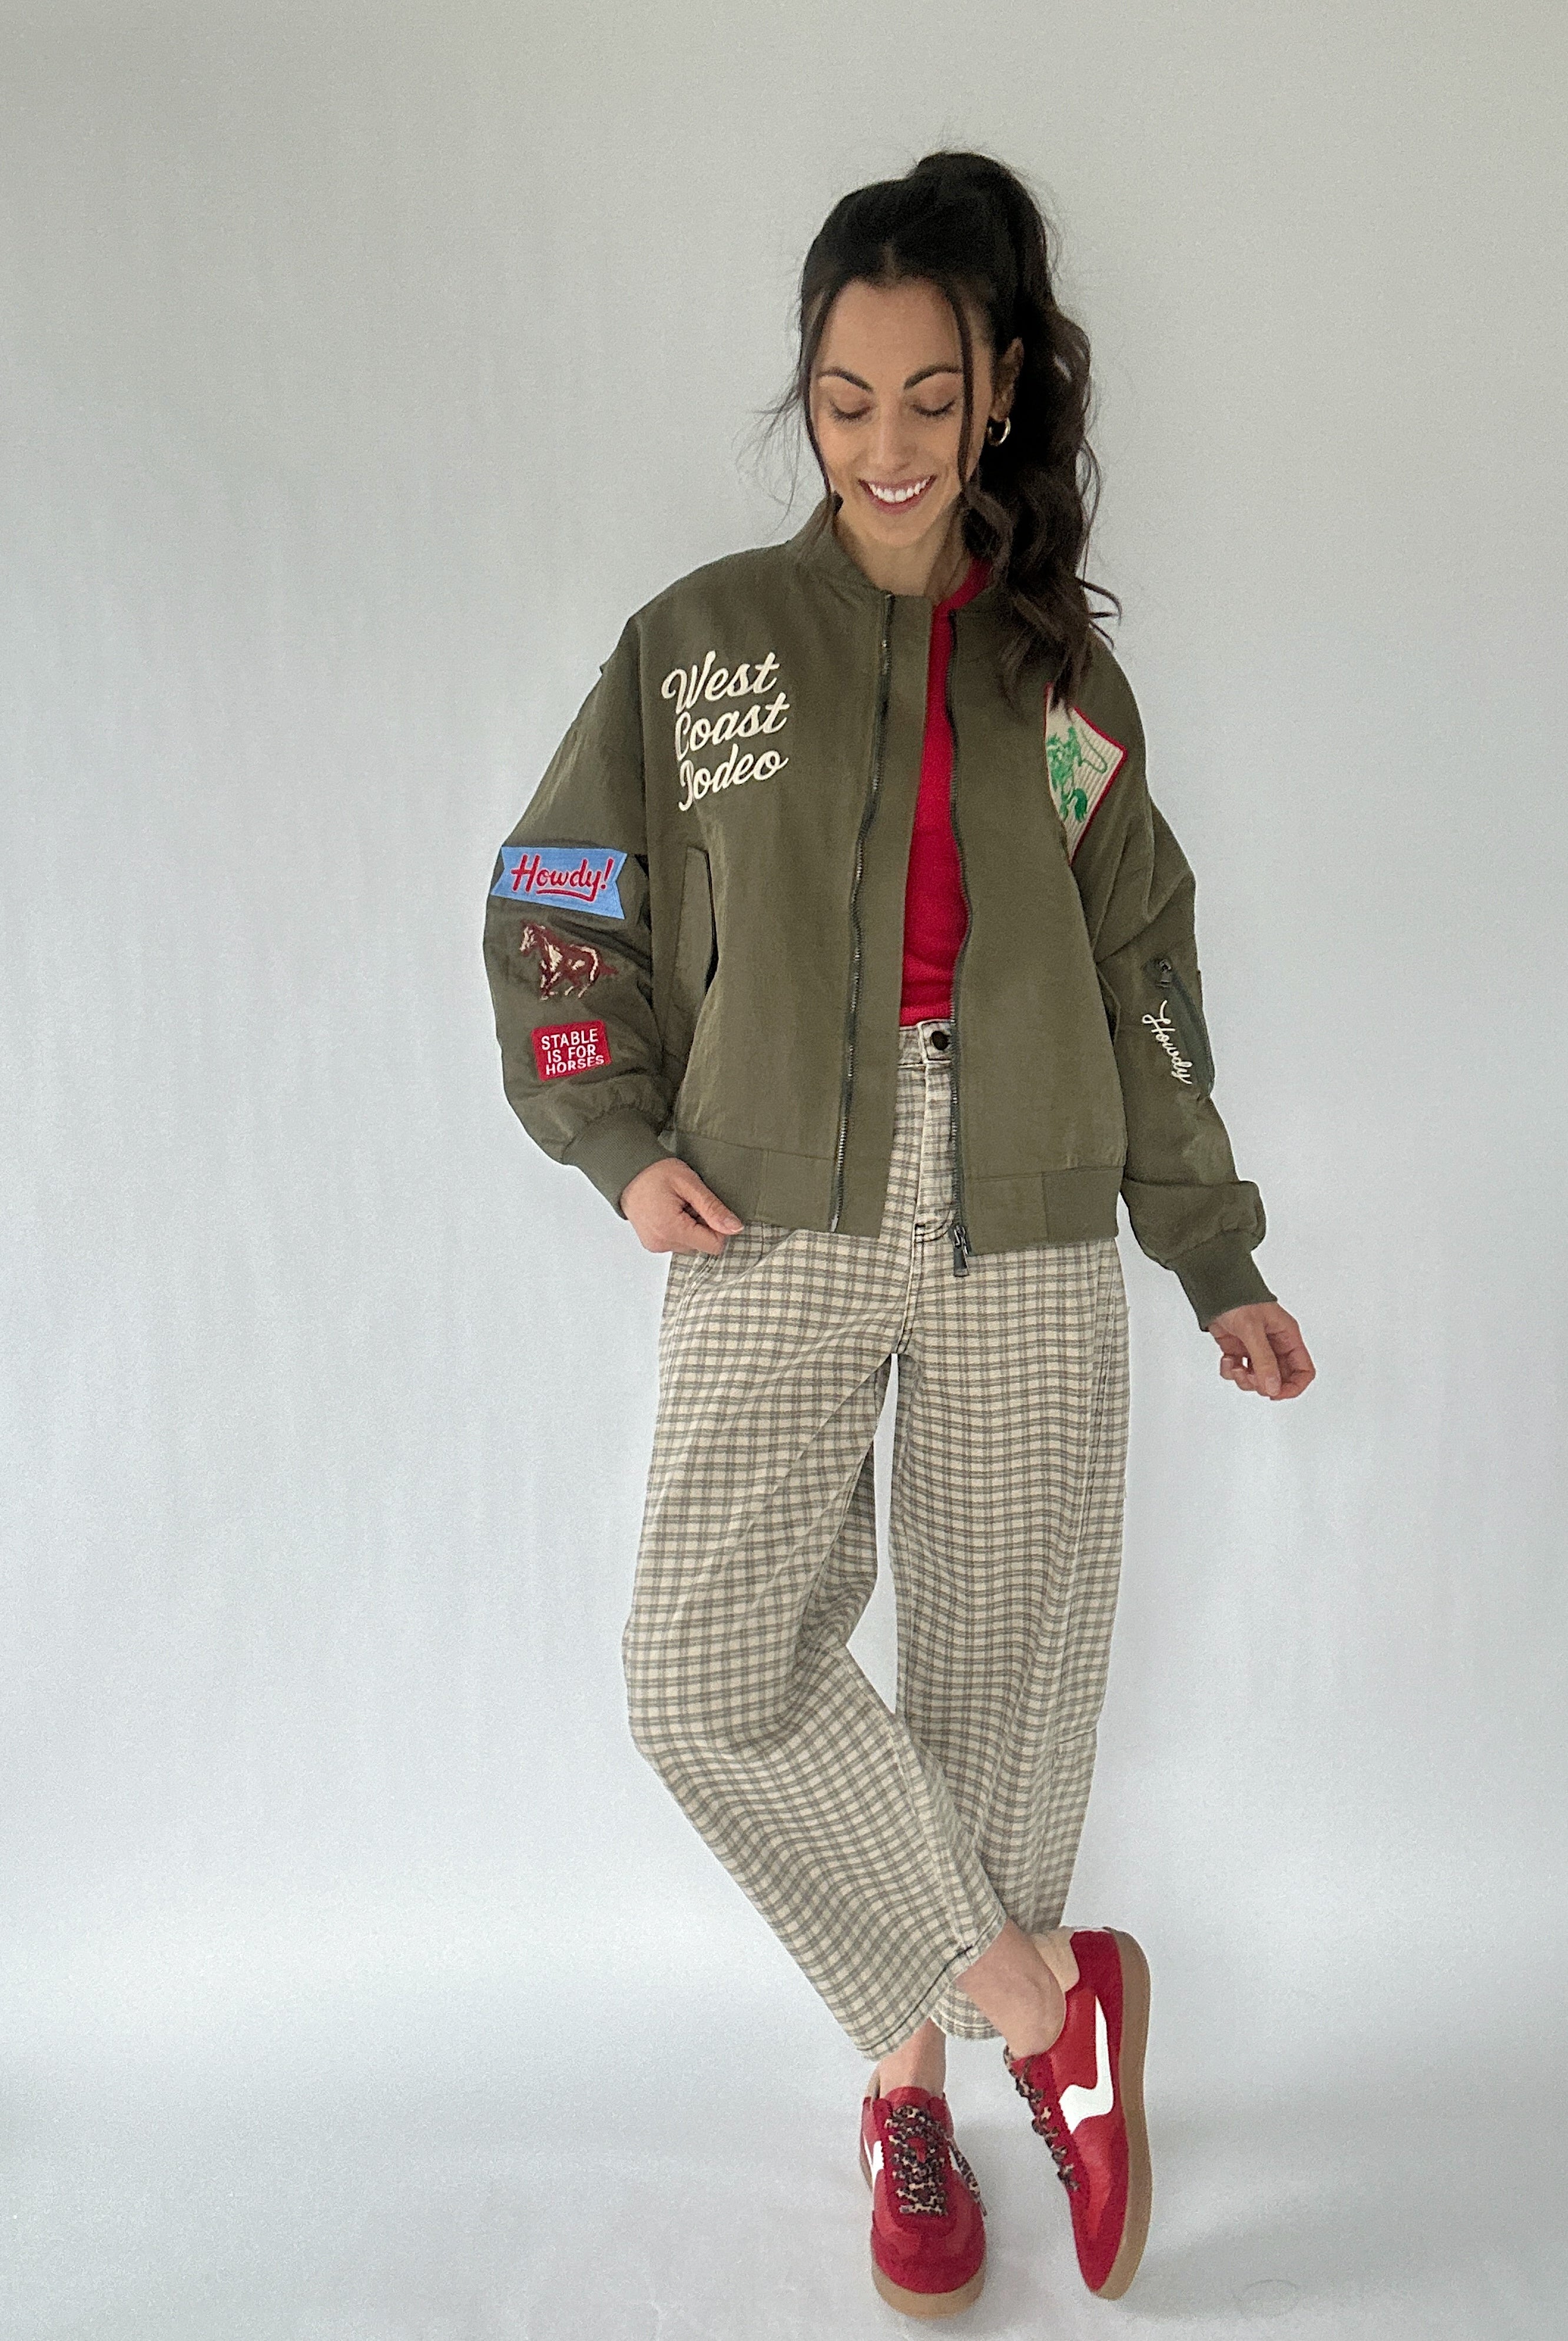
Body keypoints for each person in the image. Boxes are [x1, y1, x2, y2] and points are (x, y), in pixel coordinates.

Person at [483, 147, 1314, 2322]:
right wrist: (610, 1122)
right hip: (772, 1196)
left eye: (929, 397)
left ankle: (913, 2093)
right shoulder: (704, 649)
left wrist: (1212, 1249)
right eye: (845, 398)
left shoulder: (1057, 688)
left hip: (1029, 1196)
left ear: (1005, 392)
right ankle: (1058, 2018)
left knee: (999, 1687)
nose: (884, 443)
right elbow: (561, 893)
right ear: (808, 396)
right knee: (703, 1672)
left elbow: (1148, 967)